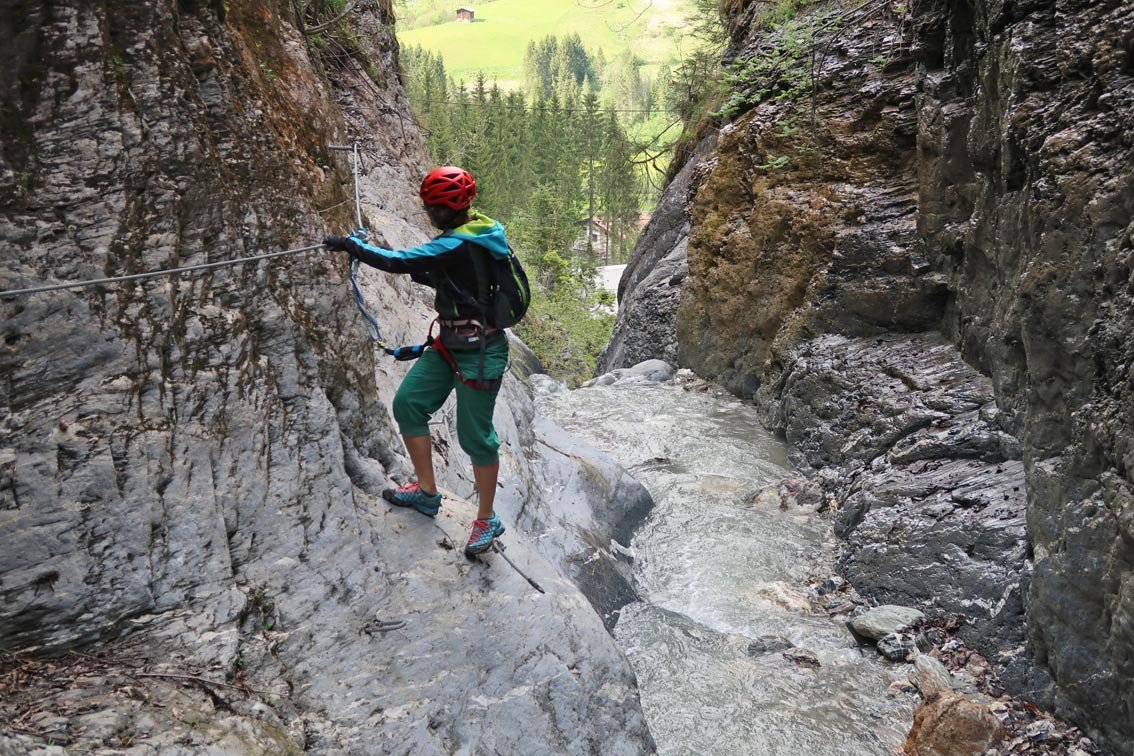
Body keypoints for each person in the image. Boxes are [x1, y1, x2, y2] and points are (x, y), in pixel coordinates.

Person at [323, 166, 510, 556]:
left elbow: (400, 261)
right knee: (408, 403)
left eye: (431, 207)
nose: (427, 212)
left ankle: (487, 518)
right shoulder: (475, 231)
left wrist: (350, 246)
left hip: (480, 351)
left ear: (444, 209)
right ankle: (427, 493)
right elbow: (454, 276)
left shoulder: (459, 242)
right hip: (452, 342)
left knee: (474, 437)